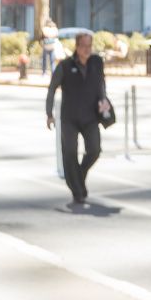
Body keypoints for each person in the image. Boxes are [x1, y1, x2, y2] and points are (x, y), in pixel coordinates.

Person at [46, 30, 110, 209]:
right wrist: (49, 114)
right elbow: (52, 89)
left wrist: (103, 100)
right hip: (69, 118)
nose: (87, 49)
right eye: (83, 46)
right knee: (70, 153)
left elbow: (101, 83)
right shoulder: (66, 66)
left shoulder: (97, 62)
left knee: (95, 149)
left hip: (90, 116)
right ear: (77, 46)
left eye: (90, 46)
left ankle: (79, 177)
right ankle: (77, 191)